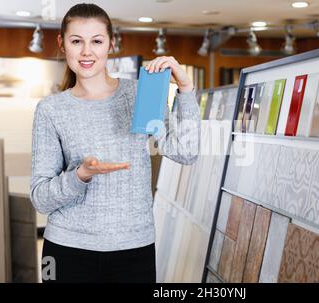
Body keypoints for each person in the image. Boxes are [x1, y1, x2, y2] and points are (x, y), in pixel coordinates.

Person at [30, 3, 200, 283]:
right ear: (62, 44)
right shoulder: (51, 110)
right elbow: (41, 198)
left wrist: (185, 90)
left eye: (96, 41)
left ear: (111, 43)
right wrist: (80, 175)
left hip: (134, 249)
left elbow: (186, 151)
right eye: (76, 41)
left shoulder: (139, 94)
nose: (87, 51)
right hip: (64, 251)